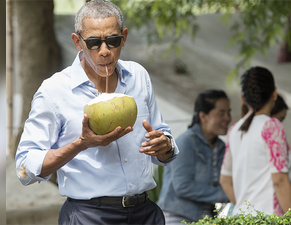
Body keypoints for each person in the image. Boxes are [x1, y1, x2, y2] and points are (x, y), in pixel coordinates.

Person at [15, 1, 179, 224]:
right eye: (93, 43)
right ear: (77, 42)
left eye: (112, 41)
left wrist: (165, 146)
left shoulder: (138, 76)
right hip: (89, 215)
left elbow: (163, 142)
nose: (105, 52)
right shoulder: (54, 91)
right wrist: (81, 143)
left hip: (145, 213)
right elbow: (25, 167)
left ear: (124, 37)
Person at [219, 66, 291, 217]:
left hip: (240, 219)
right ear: (274, 93)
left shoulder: (234, 130)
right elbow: (279, 180)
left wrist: (246, 210)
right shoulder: (272, 126)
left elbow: (225, 180)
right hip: (269, 218)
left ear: (243, 98)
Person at [157, 89, 231, 224]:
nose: (228, 118)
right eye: (222, 113)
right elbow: (183, 186)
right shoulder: (186, 142)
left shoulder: (221, 147)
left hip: (206, 219)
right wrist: (226, 194)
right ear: (203, 116)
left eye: (228, 112)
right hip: (177, 217)